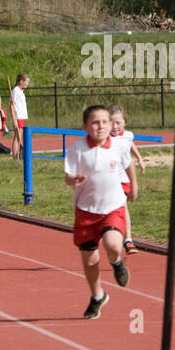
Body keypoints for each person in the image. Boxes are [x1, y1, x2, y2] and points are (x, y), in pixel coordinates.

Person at [64, 105, 132, 320]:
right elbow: (67, 175)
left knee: (113, 244)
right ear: (85, 127)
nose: (100, 126)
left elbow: (128, 166)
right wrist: (72, 179)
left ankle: (116, 262)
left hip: (112, 206)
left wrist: (134, 186)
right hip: (86, 209)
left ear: (111, 125)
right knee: (90, 260)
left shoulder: (119, 146)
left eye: (104, 122)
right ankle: (97, 296)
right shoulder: (77, 148)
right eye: (95, 122)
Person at [108, 104, 145, 254]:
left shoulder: (128, 135)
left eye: (118, 123)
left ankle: (128, 239)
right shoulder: (103, 137)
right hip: (107, 179)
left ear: (125, 122)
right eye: (111, 123)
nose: (115, 127)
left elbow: (130, 145)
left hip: (123, 179)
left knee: (123, 206)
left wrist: (139, 158)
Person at [10, 73, 30, 158]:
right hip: (18, 117)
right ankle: (15, 156)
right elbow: (11, 105)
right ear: (21, 81)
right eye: (27, 82)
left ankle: (17, 155)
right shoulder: (16, 91)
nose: (28, 84)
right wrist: (14, 119)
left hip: (21, 117)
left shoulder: (21, 91)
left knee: (19, 137)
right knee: (17, 137)